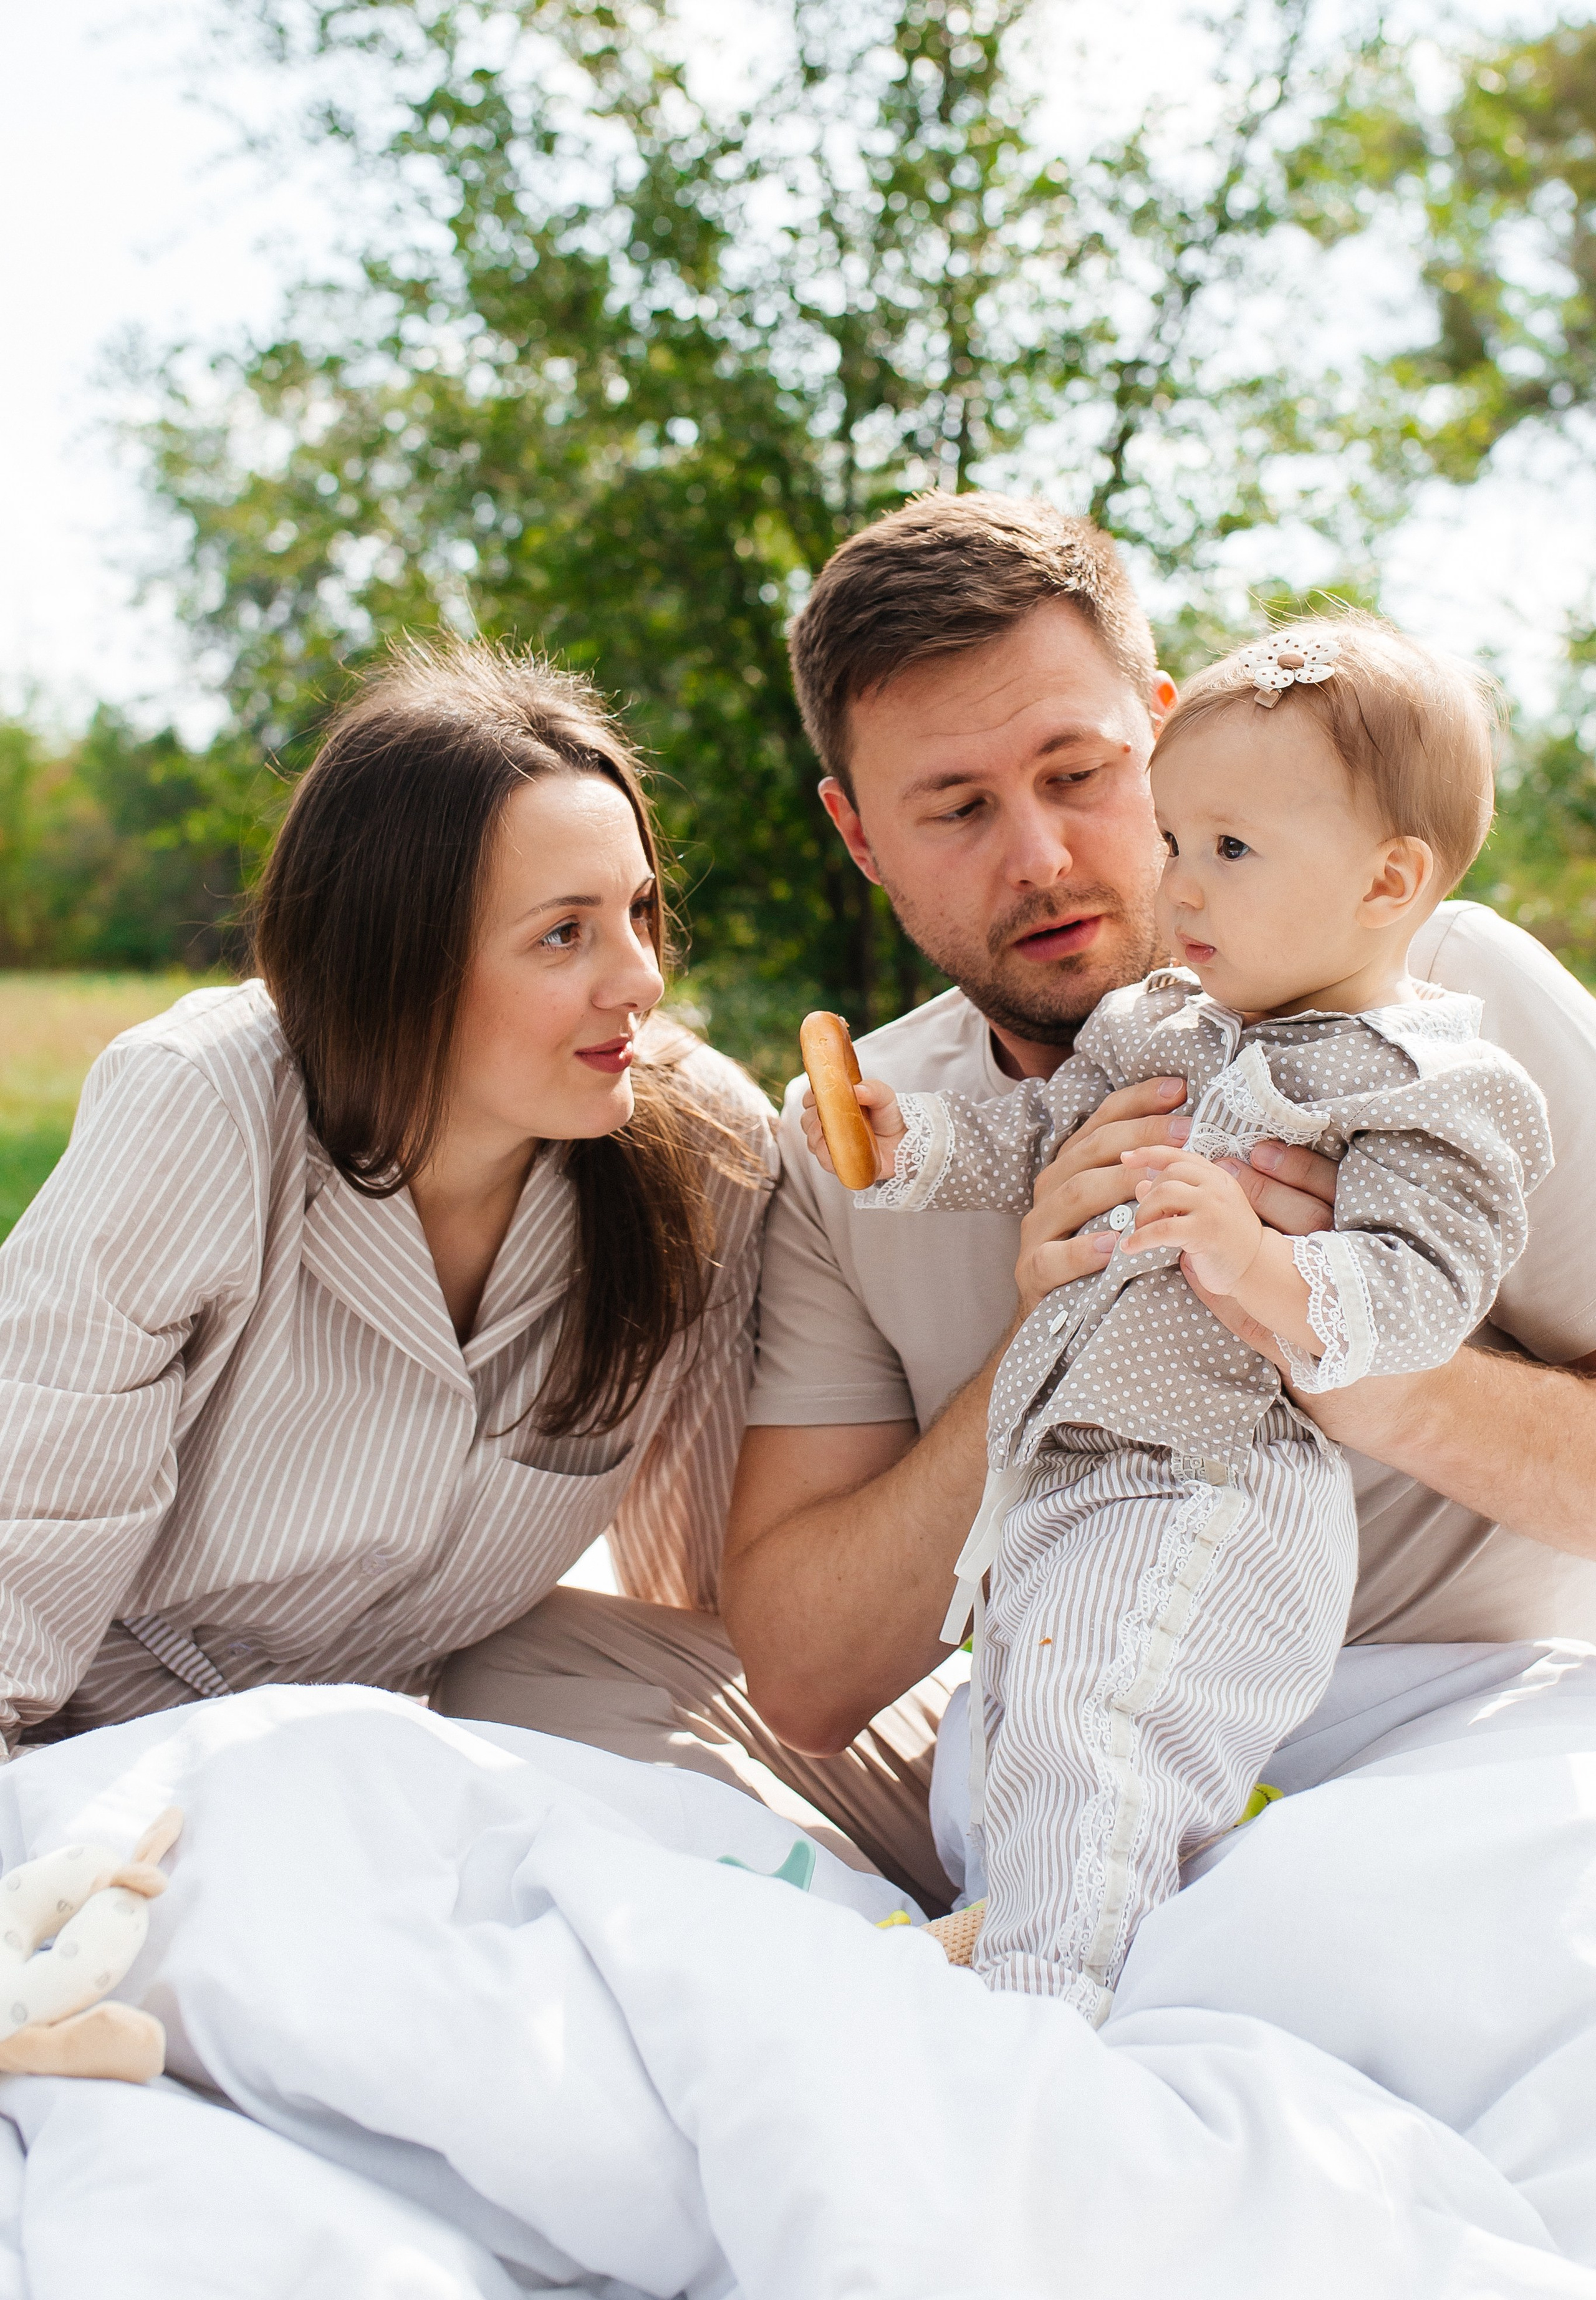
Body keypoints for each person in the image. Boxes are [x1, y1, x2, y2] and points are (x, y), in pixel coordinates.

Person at [446, 493, 1596, 1916]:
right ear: (860, 836)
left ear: (1163, 742)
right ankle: (981, 1926)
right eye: (957, 808)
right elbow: (804, 1672)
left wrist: (1344, 1346)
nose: (1040, 856)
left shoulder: (1442, 1002)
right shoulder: (866, 1140)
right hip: (1058, 1695)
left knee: (1350, 1894)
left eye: (1078, 774)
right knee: (521, 1671)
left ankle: (1031, 1942)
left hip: (1429, 1722)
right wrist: (1040, 1341)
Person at [804, 614, 1551, 2004]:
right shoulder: (1162, 1025)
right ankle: (1041, 1924)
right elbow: (1037, 1137)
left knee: (1102, 1720)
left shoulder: (1429, 1080)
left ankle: (1045, 1994)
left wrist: (1266, 1269)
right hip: (1077, 1472)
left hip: (1220, 1475)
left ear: (1387, 880)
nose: (1179, 885)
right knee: (1037, 1712)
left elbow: (1421, 1281)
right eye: (1174, 840)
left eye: (1230, 851)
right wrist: (911, 1145)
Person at [0, 642, 774, 1756]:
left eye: (639, 912)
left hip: (408, 1772)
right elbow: (18, 1570)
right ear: (399, 962)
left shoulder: (704, 1149)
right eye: (564, 933)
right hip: (96, 1750)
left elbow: (698, 1590)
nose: (644, 979)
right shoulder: (203, 1106)